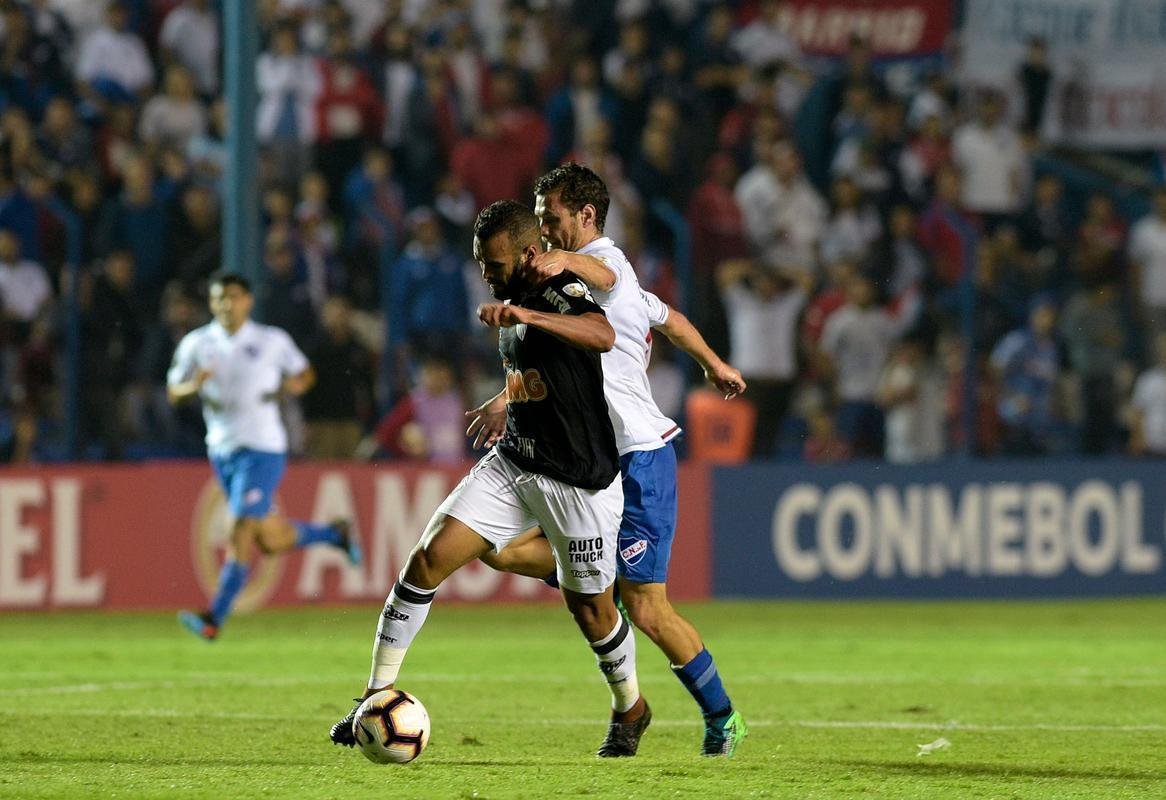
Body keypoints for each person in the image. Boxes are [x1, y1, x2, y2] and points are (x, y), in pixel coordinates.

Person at [330, 201, 650, 757]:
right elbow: (543, 368)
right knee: (427, 560)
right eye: (480, 262)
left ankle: (632, 708)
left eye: (495, 263)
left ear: (528, 254)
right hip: (516, 460)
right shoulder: (513, 295)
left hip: (578, 480)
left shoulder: (557, 288)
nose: (487, 273)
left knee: (592, 611)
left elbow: (600, 334)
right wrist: (508, 397)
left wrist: (529, 316)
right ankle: (372, 695)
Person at [467, 164, 749, 757]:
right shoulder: (574, 285)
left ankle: (722, 717)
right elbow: (668, 318)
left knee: (647, 608)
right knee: (501, 548)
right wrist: (714, 364)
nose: (542, 231)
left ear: (586, 216)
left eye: (550, 218)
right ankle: (605, 588)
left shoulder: (600, 262)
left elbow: (607, 274)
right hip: (585, 462)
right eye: (538, 220)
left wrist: (563, 260)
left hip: (637, 457)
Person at [169, 273, 360, 641]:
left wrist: (290, 386)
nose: (226, 304)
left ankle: (213, 617)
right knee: (269, 540)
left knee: (240, 525)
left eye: (233, 296)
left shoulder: (271, 340)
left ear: (248, 301)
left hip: (263, 448)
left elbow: (305, 374)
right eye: (219, 298)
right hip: (222, 451)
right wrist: (193, 386)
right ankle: (334, 534)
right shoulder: (197, 343)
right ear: (211, 303)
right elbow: (173, 391)